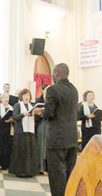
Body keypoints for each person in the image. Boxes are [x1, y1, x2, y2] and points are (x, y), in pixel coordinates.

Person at [38, 63, 78, 196]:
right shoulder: (74, 90)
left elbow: (49, 113)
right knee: (69, 174)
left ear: (56, 74)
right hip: (72, 139)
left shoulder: (53, 90)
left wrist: (40, 112)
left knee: (57, 176)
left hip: (57, 139)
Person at [9, 89, 38, 177]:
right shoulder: (18, 105)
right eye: (25, 95)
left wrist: (36, 115)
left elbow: (35, 120)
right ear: (21, 97)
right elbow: (15, 117)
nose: (27, 97)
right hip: (20, 132)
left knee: (30, 152)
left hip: (30, 132)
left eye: (28, 95)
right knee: (21, 151)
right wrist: (23, 114)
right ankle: (20, 171)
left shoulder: (32, 106)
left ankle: (29, 171)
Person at [0, 93, 14, 169]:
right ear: (1, 99)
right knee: (2, 146)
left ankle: (7, 163)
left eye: (7, 97)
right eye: (5, 97)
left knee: (8, 146)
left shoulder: (11, 107)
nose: (6, 99)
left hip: (9, 128)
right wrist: (4, 121)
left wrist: (12, 119)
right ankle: (1, 163)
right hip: (1, 129)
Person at [35, 84, 50, 174]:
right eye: (47, 90)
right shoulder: (39, 100)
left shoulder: (52, 100)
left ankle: (48, 167)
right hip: (41, 124)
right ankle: (40, 166)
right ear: (43, 91)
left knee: (49, 146)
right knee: (41, 146)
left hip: (51, 125)